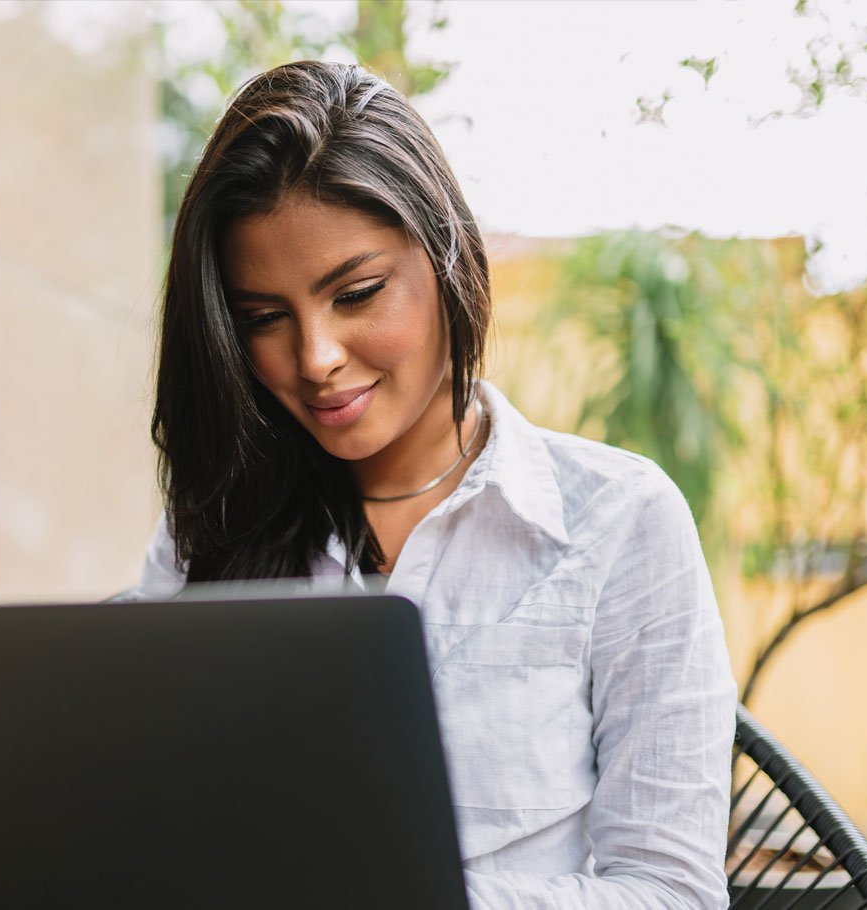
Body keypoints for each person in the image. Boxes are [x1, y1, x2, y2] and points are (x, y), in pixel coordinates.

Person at [136, 60, 737, 908]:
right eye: (263, 319)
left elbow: (672, 893)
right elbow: (113, 794)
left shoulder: (620, 522)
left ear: (449, 255)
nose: (315, 359)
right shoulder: (216, 521)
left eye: (358, 293)